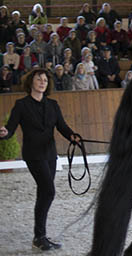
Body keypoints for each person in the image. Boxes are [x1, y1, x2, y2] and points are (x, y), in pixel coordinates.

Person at [0, 68, 80, 251]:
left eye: (45, 80)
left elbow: (62, 127)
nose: (42, 82)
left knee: (43, 193)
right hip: (33, 154)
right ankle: (40, 235)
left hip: (50, 154)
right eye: (39, 79)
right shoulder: (21, 105)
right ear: (31, 83)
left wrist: (73, 137)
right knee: (49, 191)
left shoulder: (53, 104)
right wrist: (4, 133)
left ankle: (40, 236)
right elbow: (10, 128)